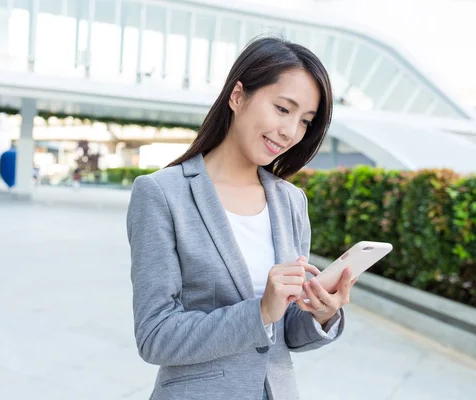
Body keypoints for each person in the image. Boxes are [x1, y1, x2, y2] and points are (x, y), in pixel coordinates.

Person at [126, 37, 358, 400]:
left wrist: (320, 314)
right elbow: (154, 336)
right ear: (237, 96)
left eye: (305, 122)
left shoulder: (291, 201)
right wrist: (260, 311)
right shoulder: (162, 193)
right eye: (283, 109)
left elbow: (286, 334)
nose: (291, 132)